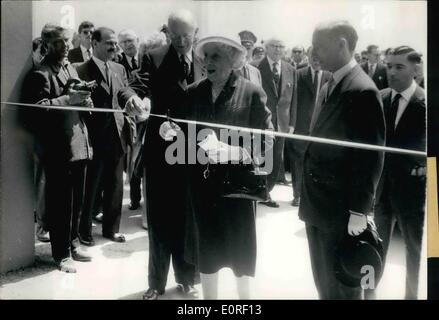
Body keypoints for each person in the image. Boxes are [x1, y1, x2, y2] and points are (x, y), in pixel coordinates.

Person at [164, 35, 273, 299]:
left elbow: (268, 138)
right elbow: (178, 127)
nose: (207, 62)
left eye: (216, 56)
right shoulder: (192, 92)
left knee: (241, 248)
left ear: (233, 60)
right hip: (203, 185)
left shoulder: (251, 92)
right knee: (208, 248)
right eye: (206, 56)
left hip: (239, 187)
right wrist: (170, 131)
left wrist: (236, 151)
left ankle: (244, 302)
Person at [120, 9, 205, 300]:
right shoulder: (154, 57)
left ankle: (187, 278)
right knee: (159, 220)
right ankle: (156, 283)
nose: (181, 42)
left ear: (196, 32)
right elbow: (135, 85)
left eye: (187, 35)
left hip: (194, 153)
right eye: (175, 35)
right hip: (160, 154)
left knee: (188, 218)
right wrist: (131, 97)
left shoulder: (206, 60)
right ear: (167, 33)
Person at [300, 20, 385, 299]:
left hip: (340, 212)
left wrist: (360, 210)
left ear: (342, 45)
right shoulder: (332, 82)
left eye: (319, 47)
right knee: (324, 283)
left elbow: (370, 155)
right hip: (319, 206)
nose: (314, 53)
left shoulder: (362, 90)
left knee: (343, 286)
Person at [23, 24, 94, 272]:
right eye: (58, 42)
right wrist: (69, 99)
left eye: (66, 41)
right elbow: (36, 111)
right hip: (59, 150)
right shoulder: (40, 74)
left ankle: (72, 244)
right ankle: (61, 254)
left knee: (77, 202)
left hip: (79, 146)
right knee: (60, 204)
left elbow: (78, 103)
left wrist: (86, 99)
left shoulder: (69, 67)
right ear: (46, 44)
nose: (64, 46)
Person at [365, 46, 426, 300]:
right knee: (374, 247)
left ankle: (410, 296)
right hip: (382, 191)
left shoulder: (426, 103)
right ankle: (369, 294)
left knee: (415, 250)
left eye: (399, 67)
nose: (391, 72)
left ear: (415, 69)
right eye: (389, 66)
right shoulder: (381, 98)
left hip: (414, 194)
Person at [74, 27, 142, 246]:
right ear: (94, 44)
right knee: (90, 188)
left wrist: (132, 98)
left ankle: (111, 229)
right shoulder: (81, 69)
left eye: (115, 43)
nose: (114, 47)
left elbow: (124, 90)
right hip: (94, 137)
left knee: (115, 186)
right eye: (108, 43)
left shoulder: (119, 68)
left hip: (117, 134)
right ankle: (83, 231)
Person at [287, 46, 331, 207]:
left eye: (320, 56)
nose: (316, 59)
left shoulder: (330, 76)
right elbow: (292, 102)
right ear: (308, 56)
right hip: (301, 127)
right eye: (313, 56)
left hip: (322, 129)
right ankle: (297, 195)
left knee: (319, 163)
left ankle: (314, 196)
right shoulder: (298, 74)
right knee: (298, 162)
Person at [257, 37, 296, 208]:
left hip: (282, 123)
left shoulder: (290, 69)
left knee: (276, 158)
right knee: (261, 157)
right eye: (274, 46)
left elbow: (294, 98)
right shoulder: (257, 66)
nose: (278, 50)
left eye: (281, 46)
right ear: (266, 48)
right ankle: (260, 191)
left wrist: (292, 123)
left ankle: (266, 190)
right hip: (261, 120)